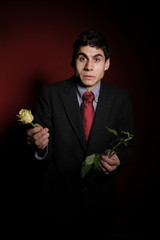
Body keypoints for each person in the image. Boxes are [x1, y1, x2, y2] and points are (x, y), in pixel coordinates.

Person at [27, 31, 135, 230]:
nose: (89, 66)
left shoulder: (121, 98)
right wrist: (40, 148)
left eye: (97, 59)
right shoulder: (50, 94)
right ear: (73, 61)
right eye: (82, 58)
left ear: (107, 63)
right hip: (57, 204)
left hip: (101, 203)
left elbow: (128, 147)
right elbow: (43, 149)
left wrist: (118, 159)